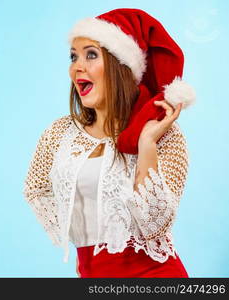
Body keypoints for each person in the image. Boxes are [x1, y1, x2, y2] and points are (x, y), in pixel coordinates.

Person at [23, 8, 196, 278]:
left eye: (91, 54)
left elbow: (155, 225)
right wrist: (81, 237)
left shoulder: (166, 136)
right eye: (73, 56)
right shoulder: (60, 134)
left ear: (120, 66)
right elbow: (35, 188)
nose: (76, 67)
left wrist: (147, 143)